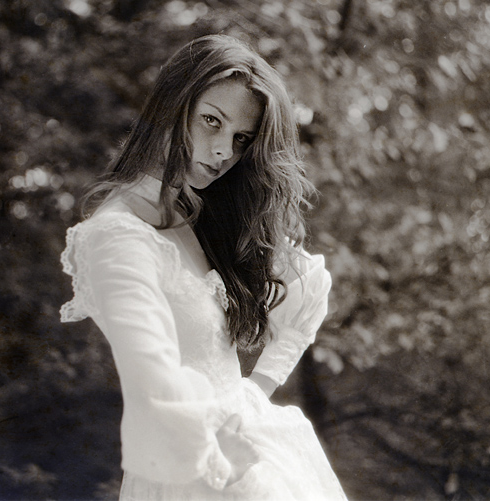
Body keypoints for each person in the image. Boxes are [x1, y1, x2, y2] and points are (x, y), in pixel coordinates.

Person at [60, 34, 348, 500]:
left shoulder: (195, 218)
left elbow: (305, 291)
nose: (222, 152)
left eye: (241, 139)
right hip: (192, 476)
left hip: (250, 460)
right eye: (211, 120)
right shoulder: (115, 235)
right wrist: (220, 464)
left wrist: (253, 395)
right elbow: (150, 383)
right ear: (172, 106)